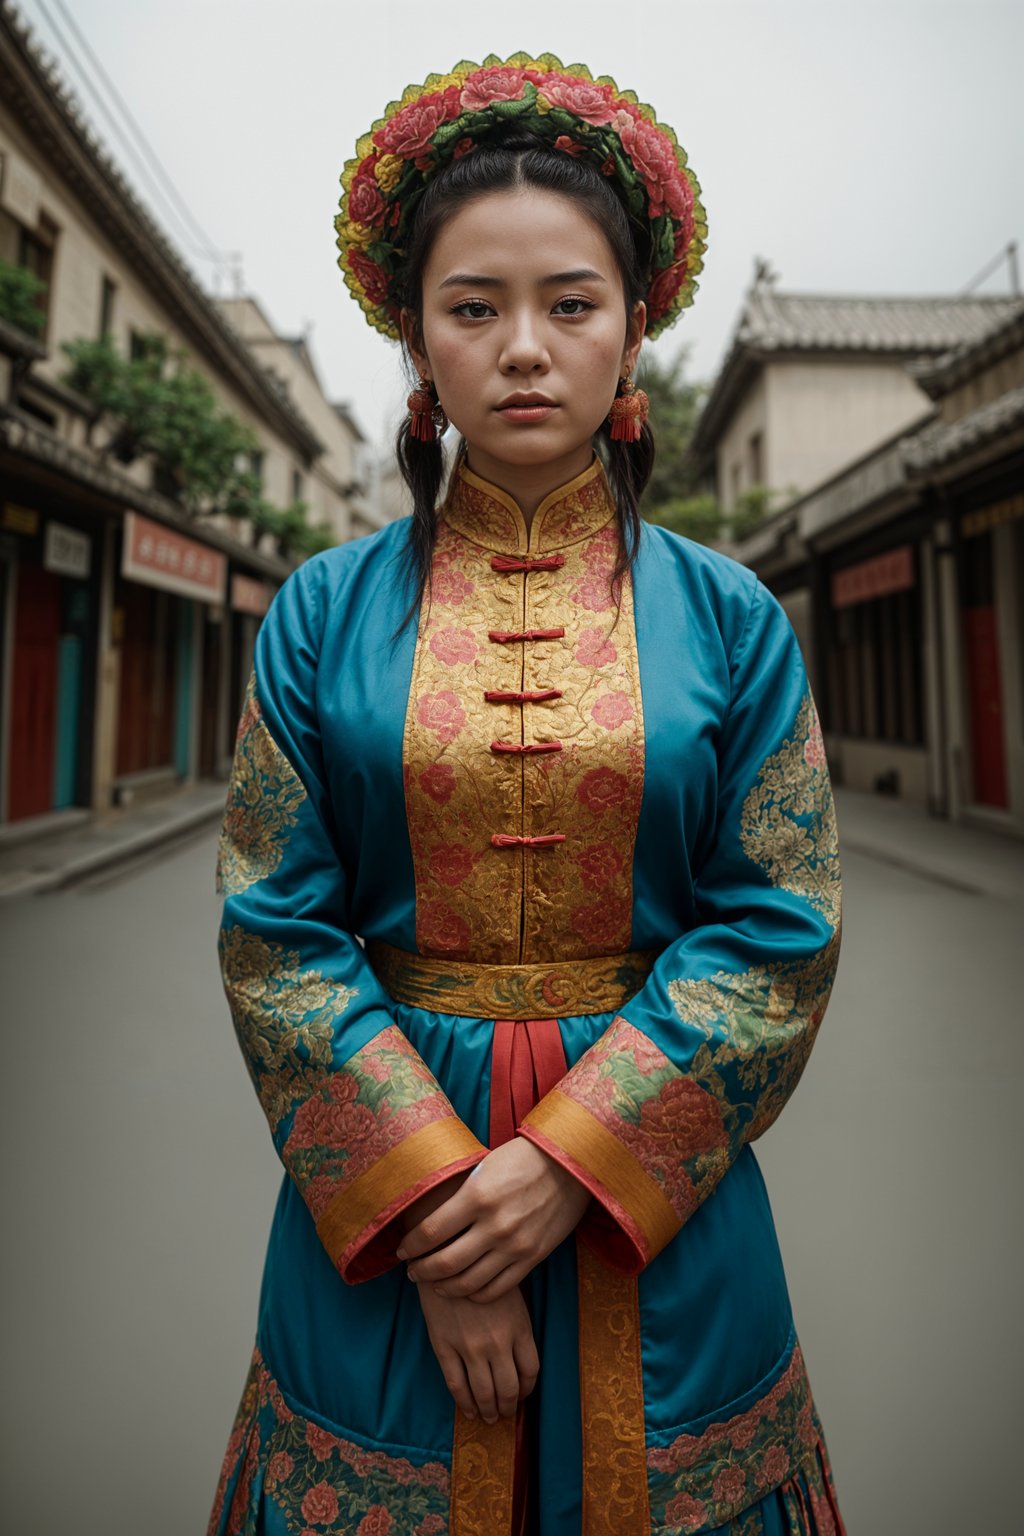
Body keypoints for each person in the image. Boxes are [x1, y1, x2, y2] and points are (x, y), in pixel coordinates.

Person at [207, 53, 846, 1536]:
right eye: (473, 308)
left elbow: (781, 928)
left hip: (659, 1220)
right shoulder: (314, 612)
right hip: (380, 1210)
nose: (523, 348)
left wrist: (571, 1170)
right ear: (418, 347)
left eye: (571, 303)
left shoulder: (735, 619)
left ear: (633, 339)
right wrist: (438, 1221)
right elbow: (273, 936)